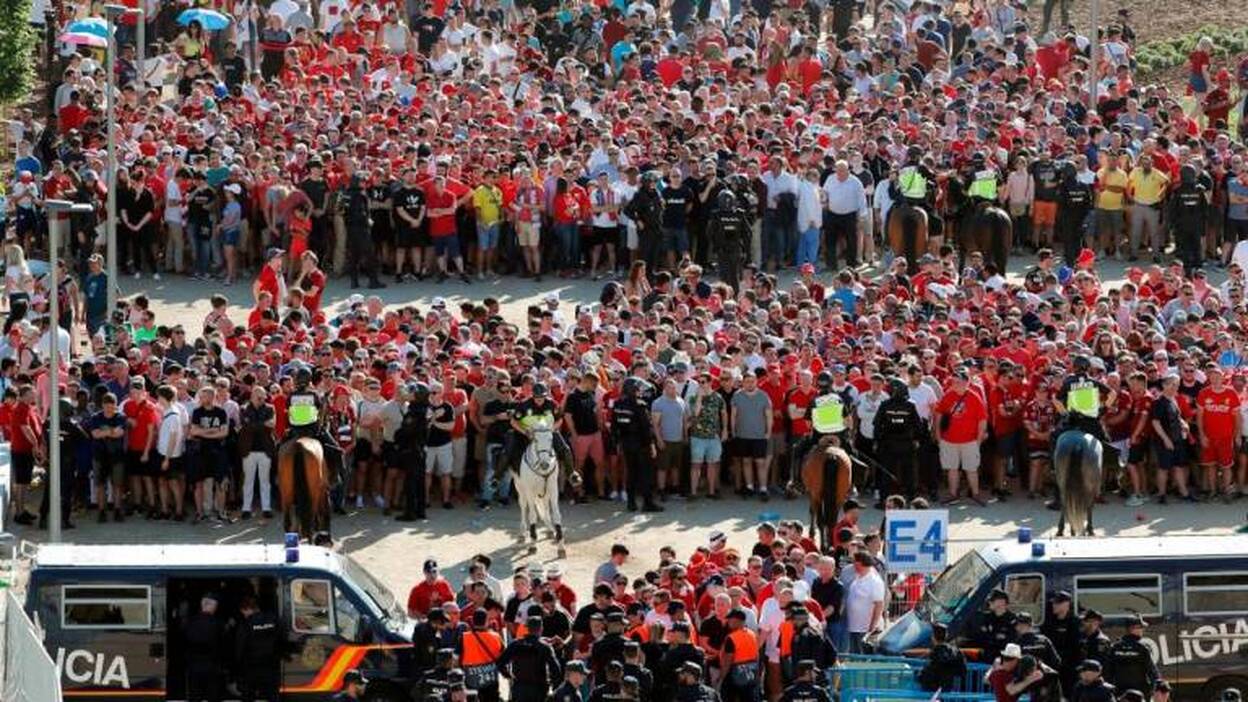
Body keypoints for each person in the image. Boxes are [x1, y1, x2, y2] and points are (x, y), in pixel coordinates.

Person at [613, 377, 662, 512]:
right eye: (638, 389)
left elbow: (614, 426)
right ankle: (648, 503)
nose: (640, 391)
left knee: (631, 473)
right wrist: (651, 445)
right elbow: (646, 427)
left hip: (626, 443)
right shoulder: (639, 405)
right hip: (641, 444)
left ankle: (631, 503)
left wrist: (618, 442)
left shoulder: (618, 404)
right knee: (645, 473)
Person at [874, 379, 924, 499]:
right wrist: (917, 439)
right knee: (909, 472)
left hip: (888, 444)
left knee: (887, 472)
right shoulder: (910, 405)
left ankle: (884, 498)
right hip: (906, 444)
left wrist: (877, 441)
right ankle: (911, 497)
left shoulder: (885, 405)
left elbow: (877, 424)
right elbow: (918, 425)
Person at [497, 616, 563, 702]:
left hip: (519, 688)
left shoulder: (515, 644)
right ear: (541, 628)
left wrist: (508, 676)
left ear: (527, 628)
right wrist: (553, 687)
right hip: (538, 689)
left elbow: (500, 663)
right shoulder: (544, 647)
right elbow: (556, 670)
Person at [235, 595, 281, 702]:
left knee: (248, 695)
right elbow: (281, 639)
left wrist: (237, 667)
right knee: (272, 696)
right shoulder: (273, 619)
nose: (244, 615)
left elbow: (239, 648)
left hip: (251, 668)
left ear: (246, 610)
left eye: (243, 612)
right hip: (271, 666)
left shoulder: (245, 624)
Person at [706, 189, 750, 293]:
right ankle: (733, 295)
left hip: (724, 249)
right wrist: (745, 249)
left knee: (725, 275)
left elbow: (709, 233)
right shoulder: (739, 214)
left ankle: (726, 295)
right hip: (733, 248)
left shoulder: (717, 215)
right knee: (734, 275)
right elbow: (747, 234)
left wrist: (715, 247)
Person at [184, 593, 225, 702]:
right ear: (211, 606)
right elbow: (223, 645)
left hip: (194, 666)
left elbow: (184, 643)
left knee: (195, 696)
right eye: (216, 606)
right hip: (213, 667)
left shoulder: (190, 622)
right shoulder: (218, 624)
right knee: (213, 696)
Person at [1105, 615, 1160, 696]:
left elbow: (1108, 672)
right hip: (1139, 694)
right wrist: (1155, 688)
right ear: (1132, 629)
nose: (1142, 630)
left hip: (1119, 693)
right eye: (1141, 628)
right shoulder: (1142, 648)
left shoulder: (1115, 647)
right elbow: (1152, 672)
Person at [1167, 165, 1208, 271]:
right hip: (1196, 224)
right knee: (1196, 247)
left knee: (1183, 248)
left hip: (1182, 225)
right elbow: (1205, 209)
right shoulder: (1199, 190)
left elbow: (1172, 210)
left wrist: (1171, 224)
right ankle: (1197, 268)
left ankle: (1185, 270)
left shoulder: (1178, 190)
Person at [462, 609, 504, 702]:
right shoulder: (496, 637)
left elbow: (456, 658)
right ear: (487, 621)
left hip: (471, 679)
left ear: (473, 621)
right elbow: (503, 657)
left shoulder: (464, 637)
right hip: (491, 680)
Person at [720, 609, 759, 702]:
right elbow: (757, 655)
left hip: (735, 674)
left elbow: (728, 660)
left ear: (738, 621)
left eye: (731, 619)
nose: (728, 622)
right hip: (751, 672)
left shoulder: (732, 638)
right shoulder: (752, 634)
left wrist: (722, 676)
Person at [972, 589, 1017, 664]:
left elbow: (1013, 643)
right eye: (990, 601)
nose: (989, 603)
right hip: (986, 659)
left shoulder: (1012, 620)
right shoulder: (986, 618)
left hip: (1004, 662)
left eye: (992, 600)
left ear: (1002, 602)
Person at [919, 623, 967, 692]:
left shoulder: (936, 652)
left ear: (933, 637)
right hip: (948, 689)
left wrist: (920, 677)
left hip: (932, 690)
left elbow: (929, 672)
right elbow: (962, 670)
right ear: (946, 635)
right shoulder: (955, 651)